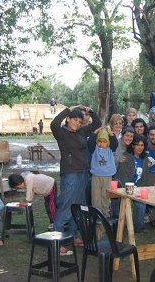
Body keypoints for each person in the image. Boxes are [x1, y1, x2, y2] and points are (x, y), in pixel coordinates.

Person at [51, 104, 101, 252]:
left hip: (84, 173)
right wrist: (71, 108)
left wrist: (90, 112)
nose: (77, 123)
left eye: (80, 121)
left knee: (78, 207)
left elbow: (97, 124)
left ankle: (72, 235)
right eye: (75, 120)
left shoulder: (81, 132)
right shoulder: (61, 133)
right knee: (66, 206)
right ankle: (57, 240)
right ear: (68, 119)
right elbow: (54, 123)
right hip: (70, 174)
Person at [115, 135, 151, 233]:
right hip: (126, 188)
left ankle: (139, 227)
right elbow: (122, 176)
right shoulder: (126, 157)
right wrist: (128, 190)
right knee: (125, 205)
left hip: (138, 188)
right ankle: (124, 226)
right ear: (133, 146)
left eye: (142, 145)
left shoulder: (145, 159)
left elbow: (144, 178)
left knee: (141, 204)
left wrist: (141, 190)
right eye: (137, 145)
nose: (140, 147)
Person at [87, 127, 118, 217]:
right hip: (96, 176)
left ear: (108, 143)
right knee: (96, 197)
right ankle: (97, 214)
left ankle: (106, 214)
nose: (101, 144)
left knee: (106, 196)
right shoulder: (95, 149)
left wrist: (110, 133)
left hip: (107, 176)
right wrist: (95, 132)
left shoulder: (110, 149)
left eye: (104, 142)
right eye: (99, 141)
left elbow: (115, 143)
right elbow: (90, 142)